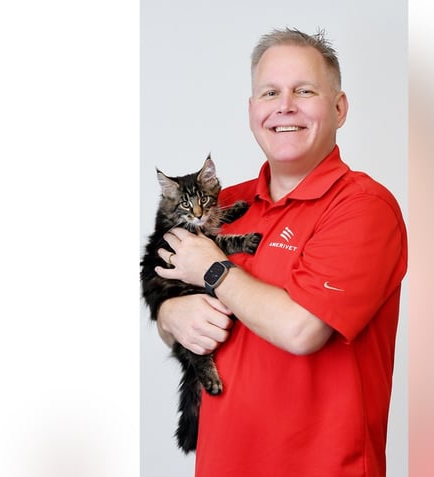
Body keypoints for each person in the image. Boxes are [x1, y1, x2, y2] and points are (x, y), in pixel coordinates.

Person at [153, 28, 407, 476]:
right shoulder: (223, 206)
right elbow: (171, 297)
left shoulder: (364, 208)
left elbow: (301, 329)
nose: (284, 106)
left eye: (304, 90)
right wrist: (169, 318)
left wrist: (214, 271)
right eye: (270, 92)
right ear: (253, 111)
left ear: (339, 107)